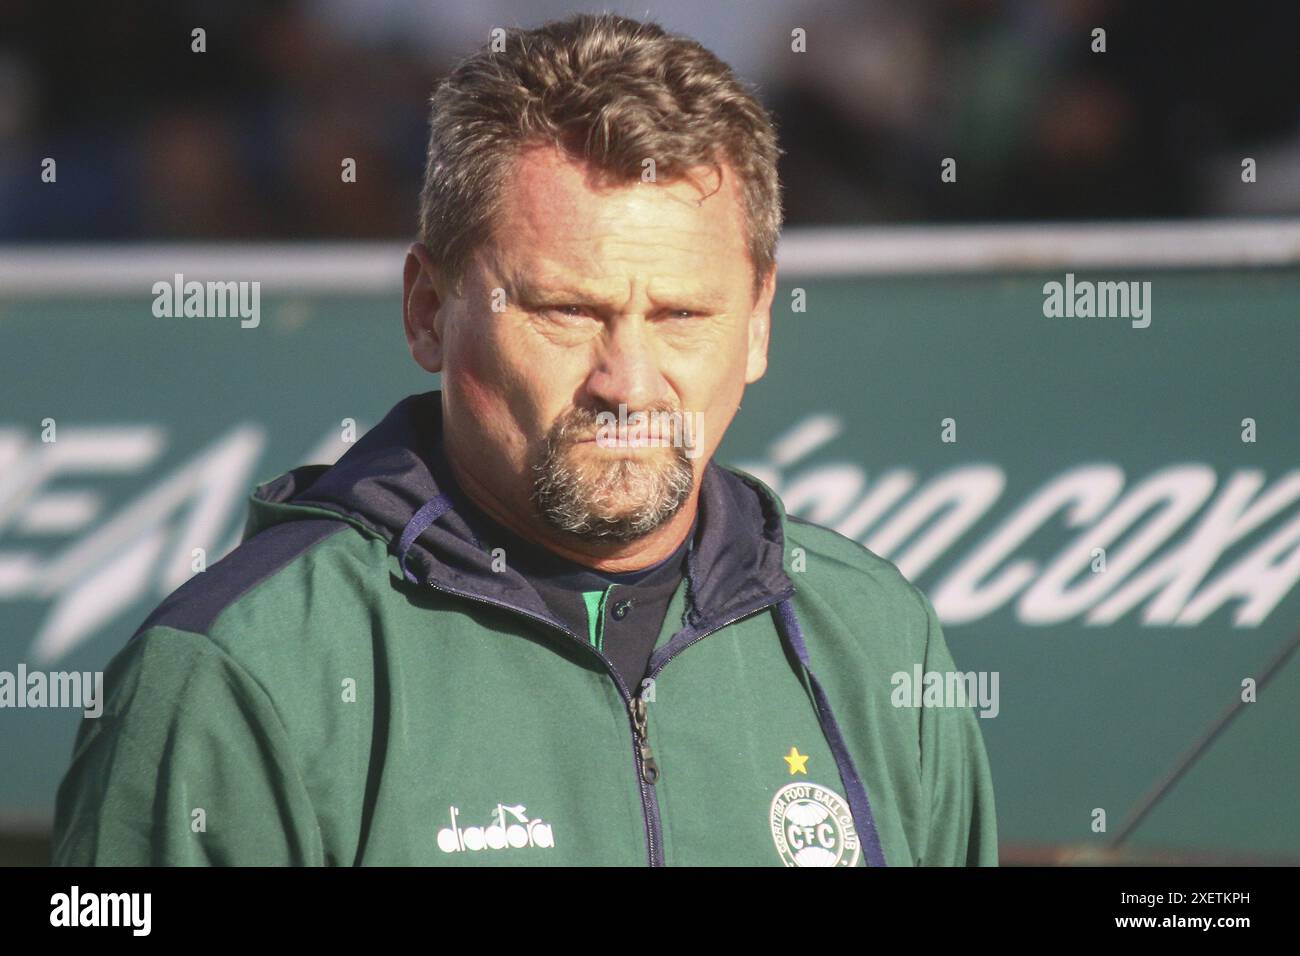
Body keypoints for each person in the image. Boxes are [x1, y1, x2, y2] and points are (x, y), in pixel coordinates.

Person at [53, 12, 996, 866]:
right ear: (428, 310)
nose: (628, 383)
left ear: (756, 326)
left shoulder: (877, 638)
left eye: (681, 315)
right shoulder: (236, 675)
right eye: (565, 310)